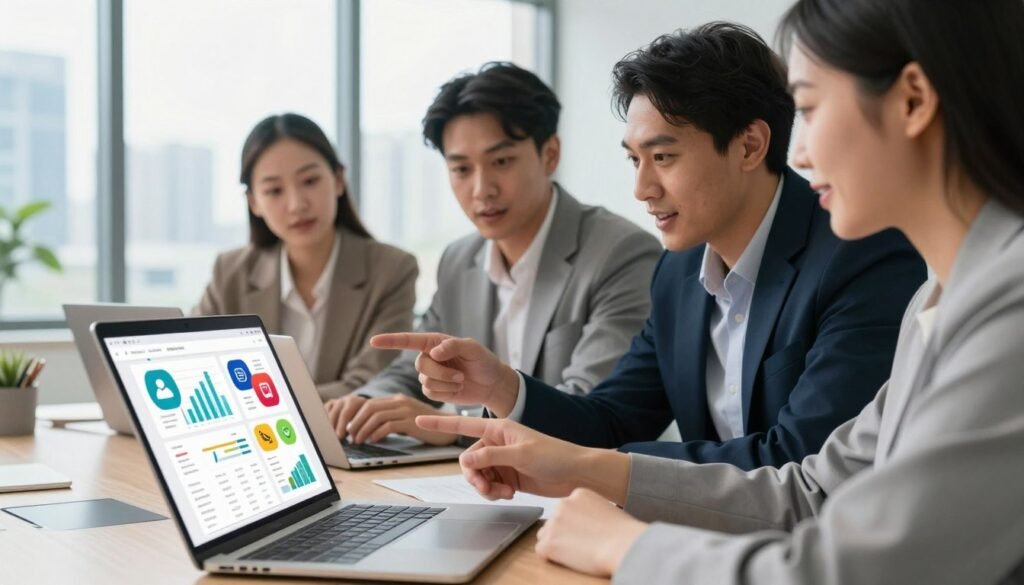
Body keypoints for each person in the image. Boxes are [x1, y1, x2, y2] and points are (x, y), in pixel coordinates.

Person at [405, 2, 1024, 582]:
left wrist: (625, 545)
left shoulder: (988, 298)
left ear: (913, 100)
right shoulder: (938, 298)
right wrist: (566, 451)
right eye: (634, 159)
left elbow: (860, 563)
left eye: (808, 110)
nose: (800, 151)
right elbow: (814, 490)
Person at [372, 24, 926, 469]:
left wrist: (588, 467)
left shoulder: (860, 255)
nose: (641, 189)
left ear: (751, 145)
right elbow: (614, 418)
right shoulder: (680, 271)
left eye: (663, 158)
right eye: (633, 159)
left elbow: (798, 459)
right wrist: (503, 387)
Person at [325, 62, 662, 446]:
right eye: (462, 169)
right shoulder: (458, 259)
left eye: (501, 162)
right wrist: (367, 402)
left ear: (550, 154)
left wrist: (447, 424)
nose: (482, 189)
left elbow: (589, 413)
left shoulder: (620, 254)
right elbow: (411, 370)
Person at [193, 113, 418, 400]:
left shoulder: (392, 270)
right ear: (254, 203)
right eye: (274, 190)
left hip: (346, 439)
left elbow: (369, 385)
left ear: (338, 180)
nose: (297, 204)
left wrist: (260, 401)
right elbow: (194, 367)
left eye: (310, 181)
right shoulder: (230, 272)